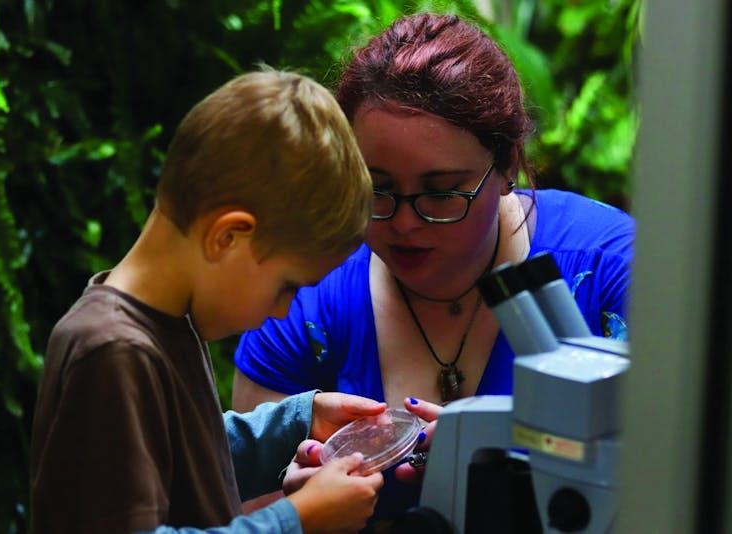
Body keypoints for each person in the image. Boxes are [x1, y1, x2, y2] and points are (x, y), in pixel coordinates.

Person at [232, 12, 636, 529]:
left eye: (442, 192)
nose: (404, 223)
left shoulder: (613, 274)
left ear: (508, 164)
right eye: (375, 188)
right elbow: (240, 504)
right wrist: (298, 512)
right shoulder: (306, 294)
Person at [29, 69, 391, 534]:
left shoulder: (167, 323)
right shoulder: (113, 351)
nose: (284, 311)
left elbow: (187, 457)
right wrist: (295, 521)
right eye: (288, 286)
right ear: (227, 237)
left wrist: (299, 422)